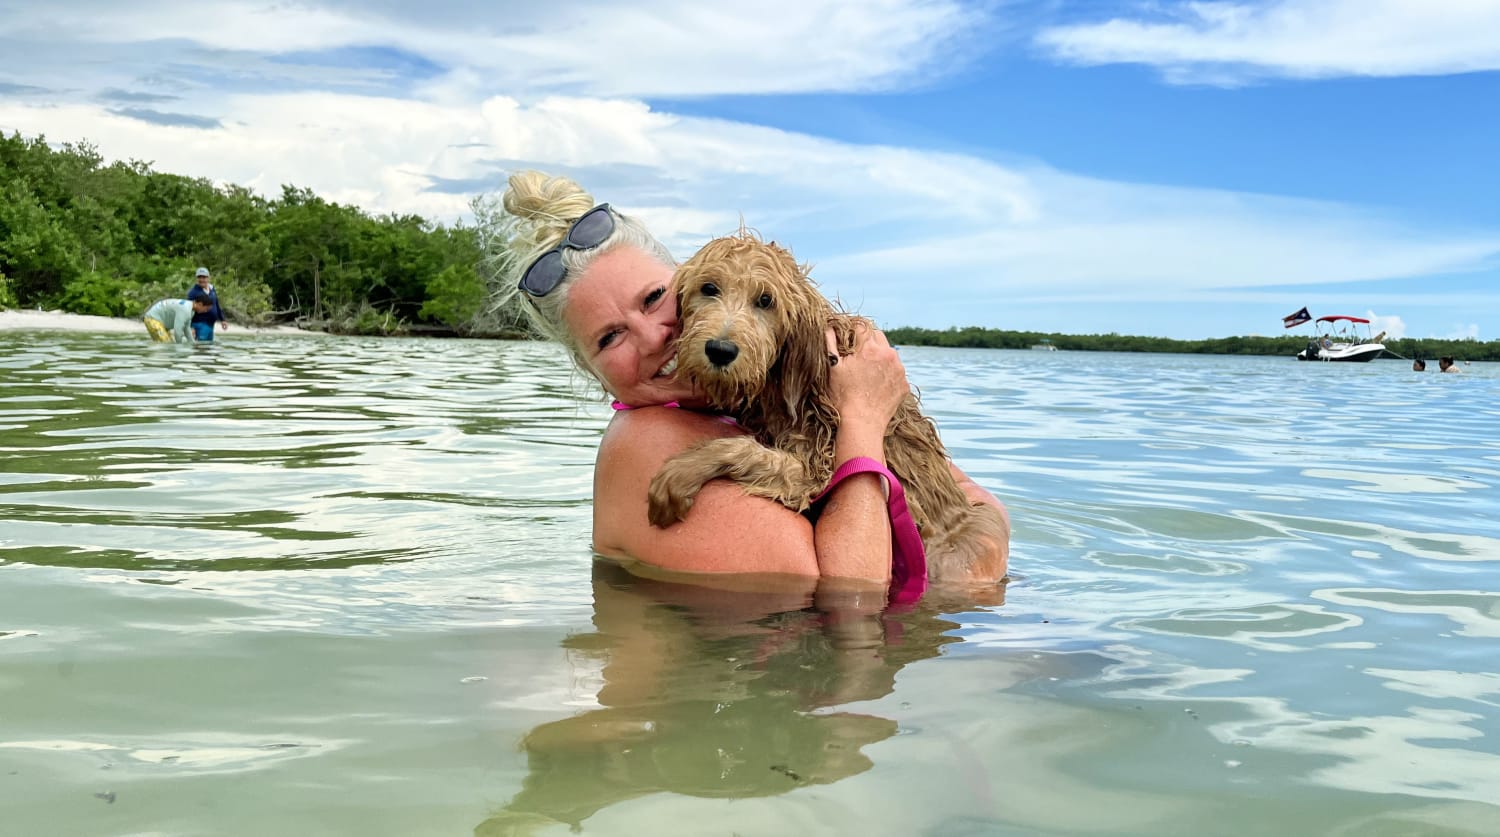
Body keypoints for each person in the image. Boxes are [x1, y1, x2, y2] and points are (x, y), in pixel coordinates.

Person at [495, 171, 1009, 596]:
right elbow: (851, 596)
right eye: (610, 338)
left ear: (681, 280)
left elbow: (975, 505)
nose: (656, 336)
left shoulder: (766, 399)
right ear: (590, 369)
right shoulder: (646, 442)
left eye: (655, 298)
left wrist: (978, 553)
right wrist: (862, 418)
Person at [143, 297, 215, 343]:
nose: (206, 311)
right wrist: (179, 348)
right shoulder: (185, 309)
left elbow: (186, 329)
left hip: (161, 322)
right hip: (152, 319)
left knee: (168, 344)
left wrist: (192, 343)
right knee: (166, 344)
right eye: (206, 308)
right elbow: (177, 331)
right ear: (200, 304)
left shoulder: (191, 310)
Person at [186, 267, 228, 341]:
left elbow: (216, 304)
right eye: (199, 277)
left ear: (208, 278)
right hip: (199, 324)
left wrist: (222, 319)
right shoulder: (193, 293)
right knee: (201, 347)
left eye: (204, 277)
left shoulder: (212, 289)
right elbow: (188, 310)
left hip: (210, 325)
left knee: (208, 347)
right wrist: (190, 327)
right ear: (196, 278)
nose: (202, 279)